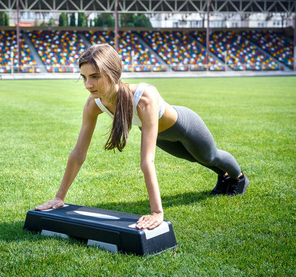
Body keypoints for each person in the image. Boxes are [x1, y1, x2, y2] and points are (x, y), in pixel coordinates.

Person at [35, 44, 249, 230]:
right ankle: (223, 178)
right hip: (161, 136)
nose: (88, 85)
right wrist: (59, 197)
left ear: (113, 73)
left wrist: (156, 212)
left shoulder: (144, 96)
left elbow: (147, 161)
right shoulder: (95, 103)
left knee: (209, 157)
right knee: (195, 158)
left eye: (94, 76)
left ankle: (238, 178)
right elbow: (78, 153)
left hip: (185, 126)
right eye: (84, 77)